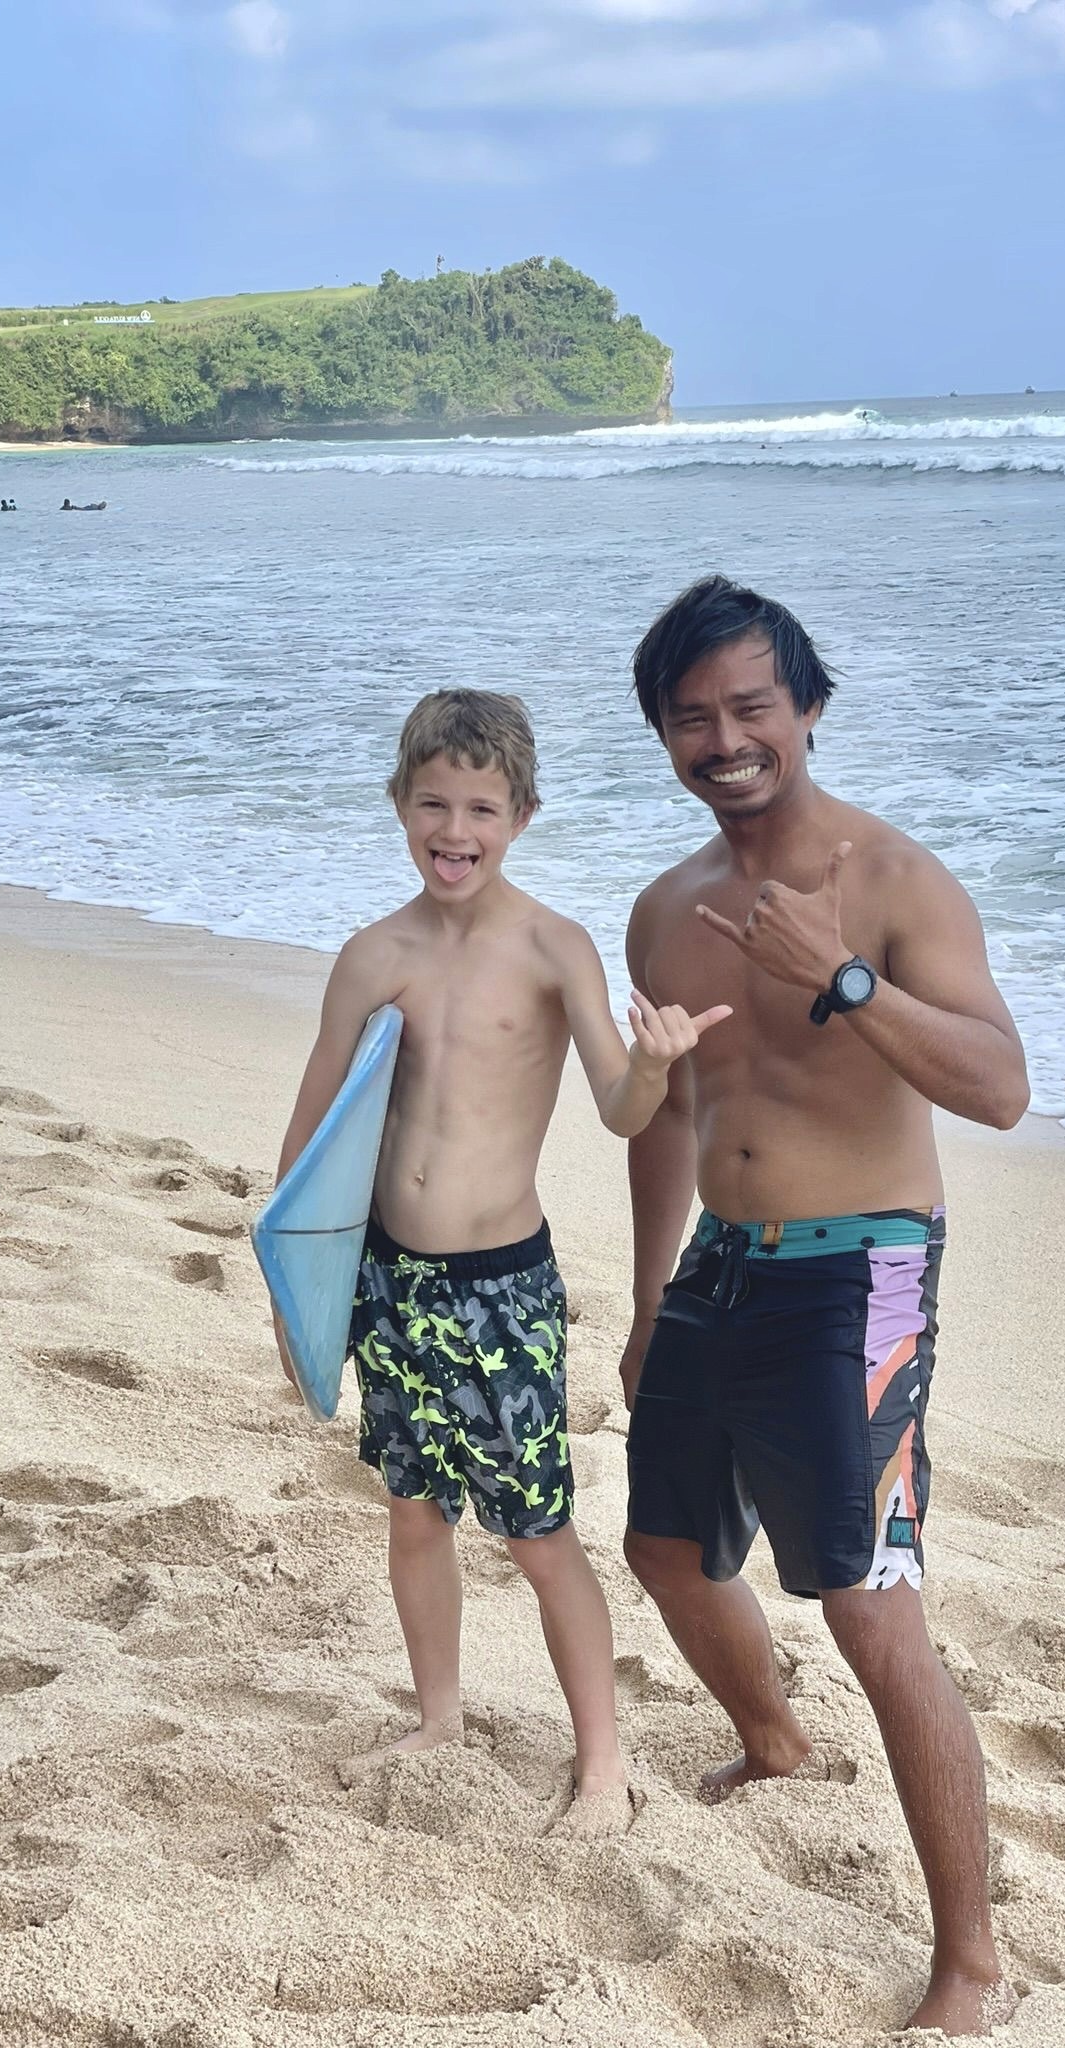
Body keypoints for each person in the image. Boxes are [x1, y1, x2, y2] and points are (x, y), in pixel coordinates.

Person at [617, 575, 1030, 2034]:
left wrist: (842, 978)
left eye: (749, 708)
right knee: (665, 1547)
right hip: (718, 1268)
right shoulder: (663, 911)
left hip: (862, 1270)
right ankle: (774, 1741)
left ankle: (969, 1959)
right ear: (662, 737)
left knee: (870, 1603)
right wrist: (650, 1292)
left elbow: (999, 1090)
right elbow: (668, 1116)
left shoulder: (893, 881)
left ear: (806, 710)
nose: (724, 740)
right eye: (691, 718)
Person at [272, 688, 730, 1835]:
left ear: (521, 814)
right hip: (392, 1281)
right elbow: (313, 1131)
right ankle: (438, 1715)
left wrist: (659, 1064)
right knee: (414, 1511)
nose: (454, 828)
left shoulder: (551, 947)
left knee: (536, 1532)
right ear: (399, 804)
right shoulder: (373, 954)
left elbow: (623, 1109)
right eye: (433, 802)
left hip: (504, 1290)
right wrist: (295, 1295)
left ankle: (605, 1764)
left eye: (481, 806)